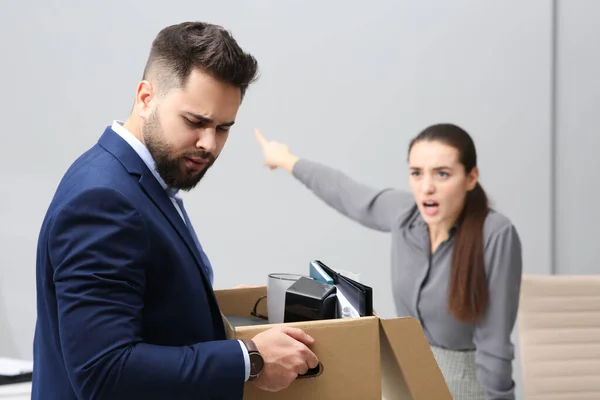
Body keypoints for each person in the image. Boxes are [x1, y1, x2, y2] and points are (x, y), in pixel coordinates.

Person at [32, 21, 318, 400]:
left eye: (223, 128)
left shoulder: (134, 179)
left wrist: (212, 310)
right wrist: (250, 359)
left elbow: (148, 306)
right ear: (146, 97)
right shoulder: (103, 200)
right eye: (195, 122)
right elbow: (103, 373)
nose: (209, 144)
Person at [254, 123, 523, 400]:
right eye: (417, 173)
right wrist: (284, 159)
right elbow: (346, 192)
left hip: (467, 386)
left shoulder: (495, 234)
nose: (427, 187)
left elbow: (495, 345)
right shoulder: (405, 214)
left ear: (470, 178)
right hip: (406, 377)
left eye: (442, 174)